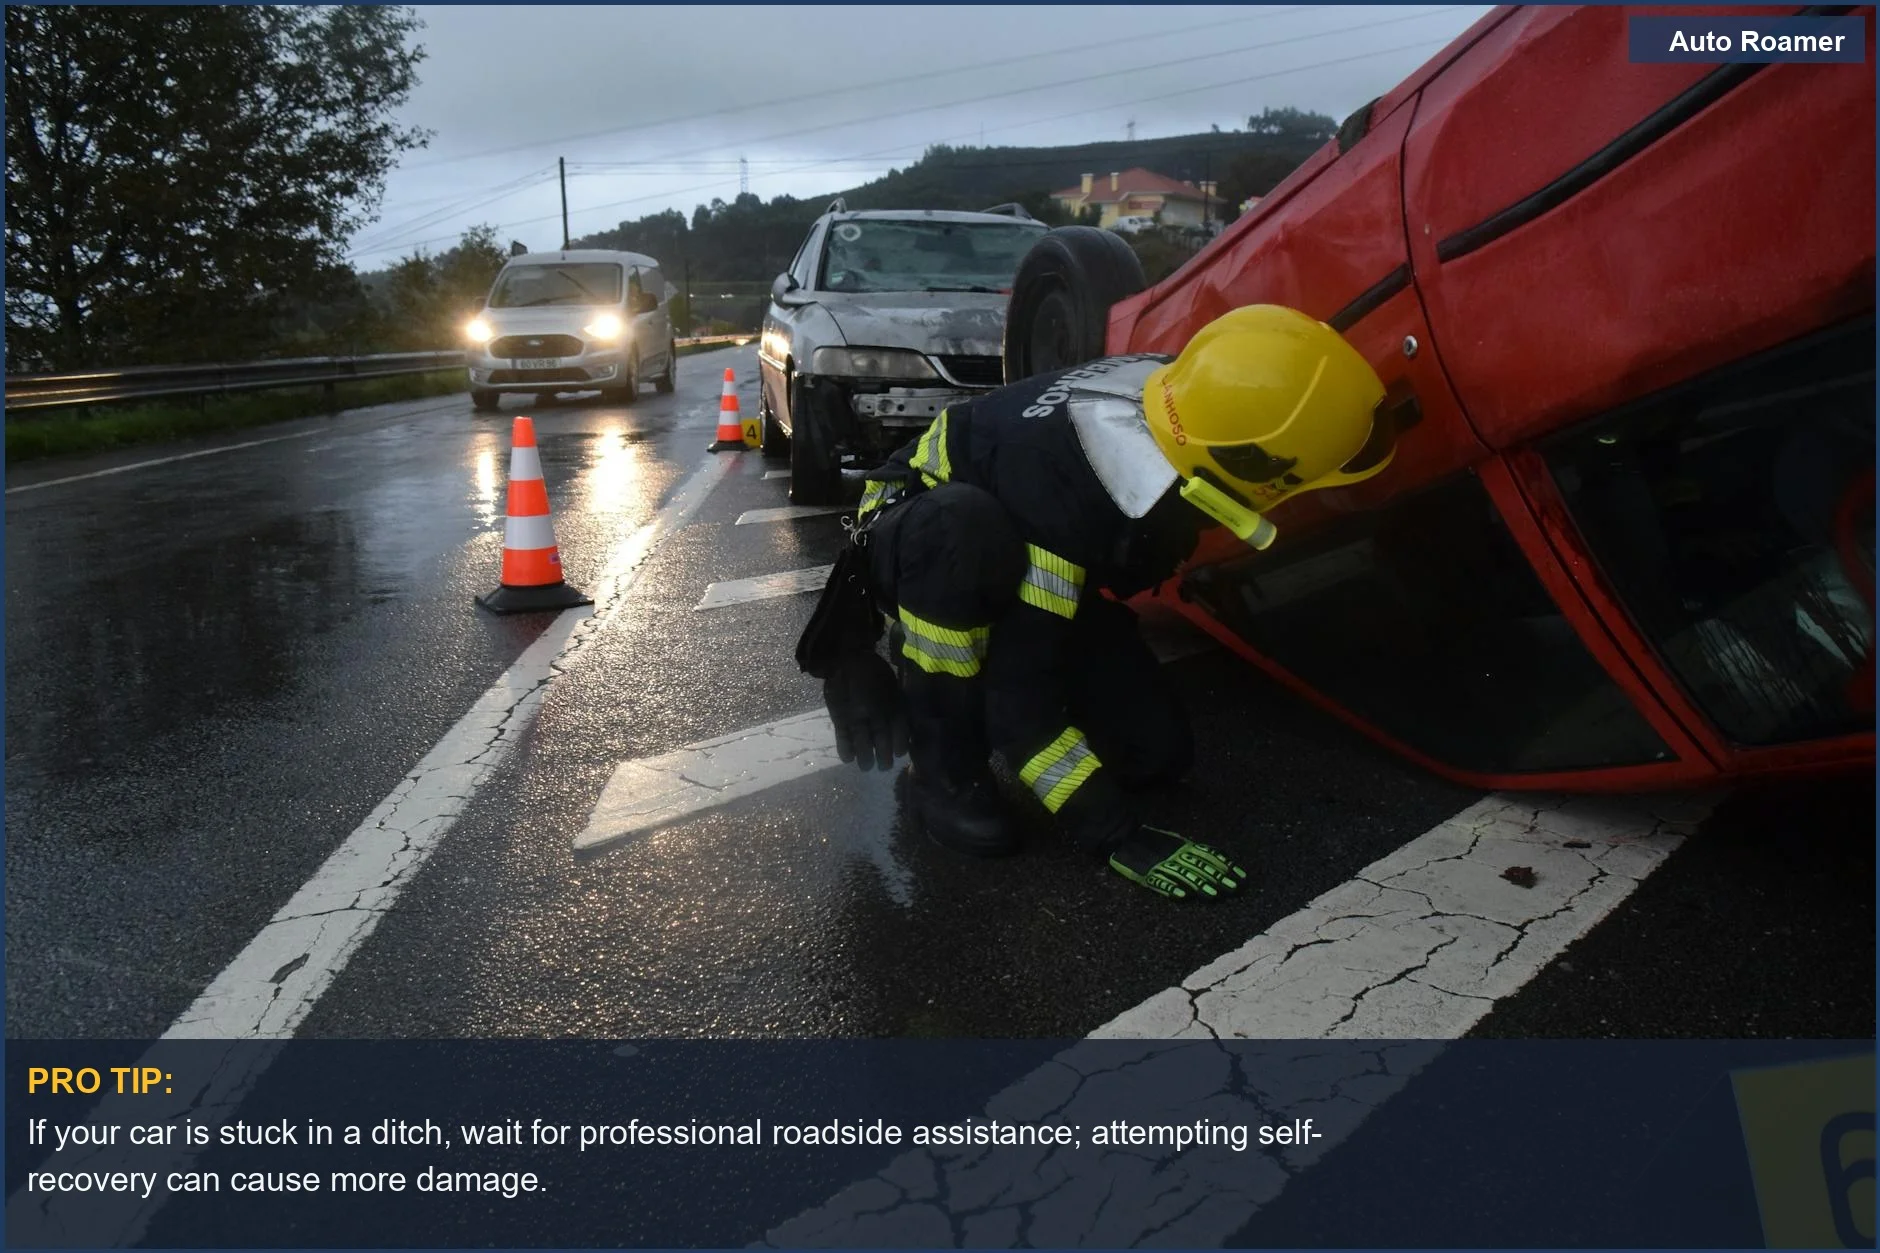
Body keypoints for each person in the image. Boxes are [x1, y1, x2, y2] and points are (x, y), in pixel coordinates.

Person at [795, 305, 1393, 901]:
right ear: (1251, 467)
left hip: (1023, 539)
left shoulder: (1193, 397)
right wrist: (1115, 834)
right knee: (964, 540)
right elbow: (1019, 702)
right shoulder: (1064, 499)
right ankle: (940, 767)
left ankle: (989, 643)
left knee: (1152, 756)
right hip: (927, 537)